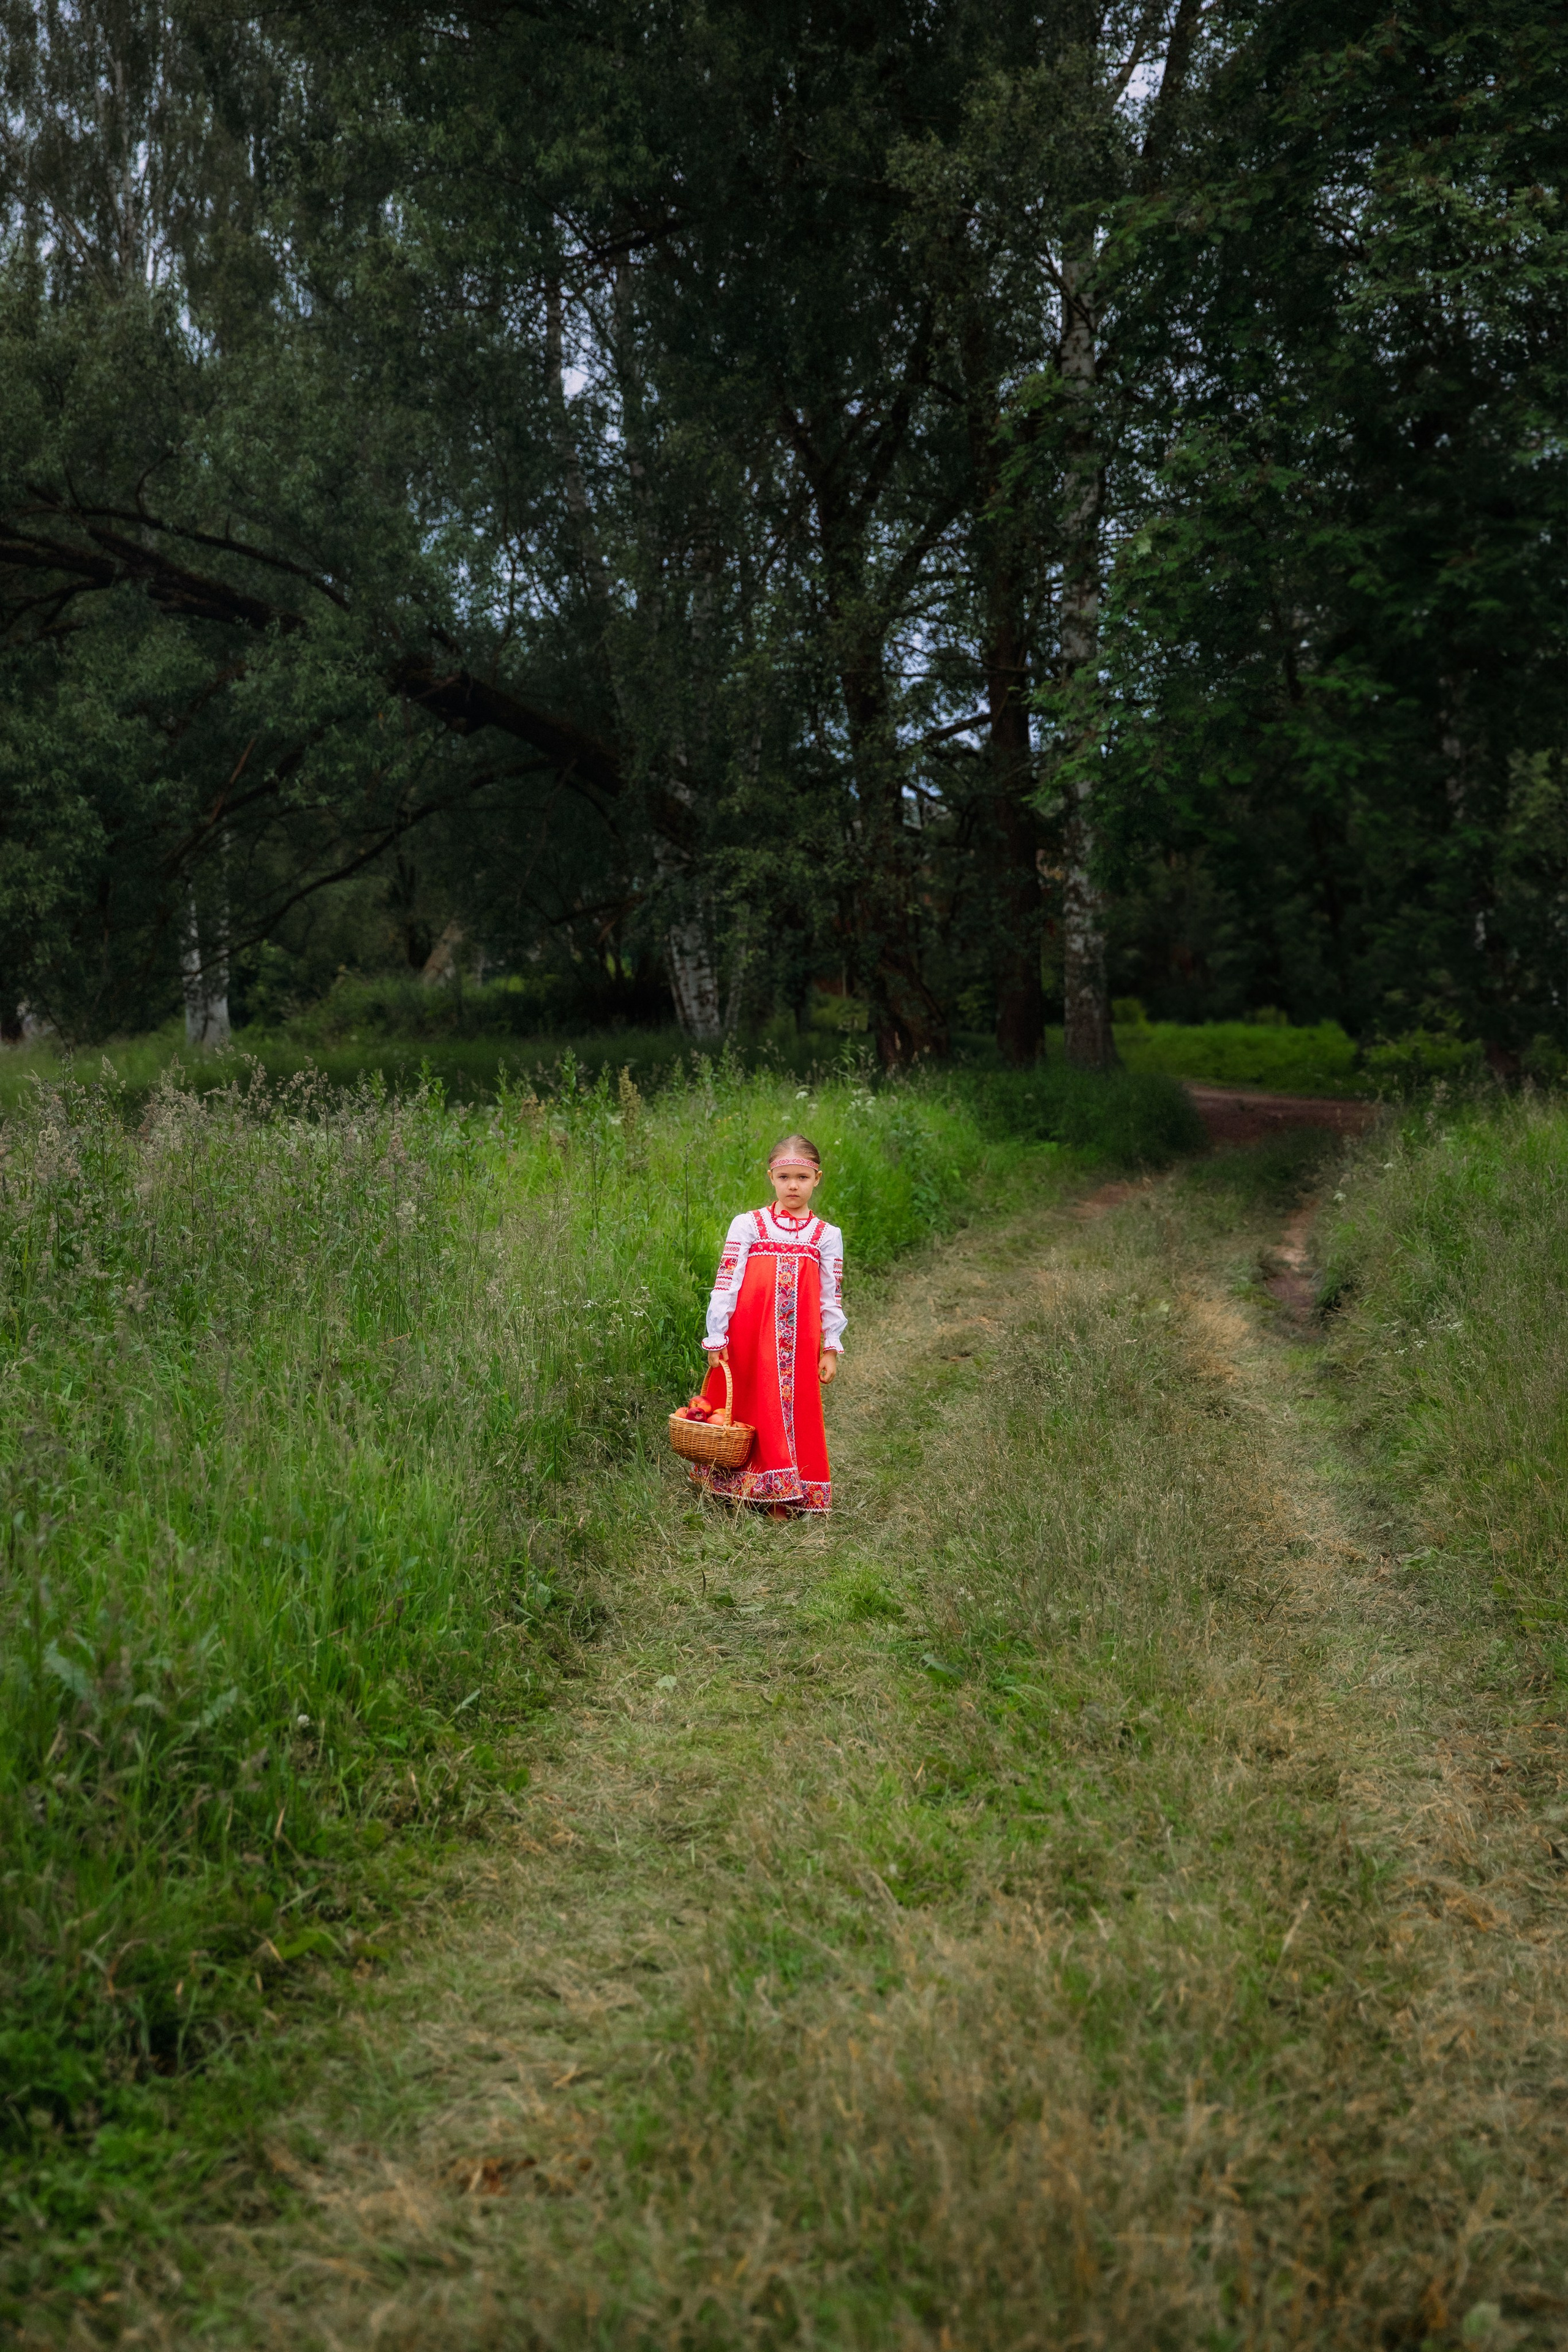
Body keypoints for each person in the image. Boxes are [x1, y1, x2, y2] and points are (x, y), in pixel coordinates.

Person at [692, 1134, 845, 1515]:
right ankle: (739, 1486)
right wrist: (717, 1334)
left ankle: (787, 1491)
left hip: (799, 1343)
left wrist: (831, 1346)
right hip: (750, 1335)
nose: (793, 1186)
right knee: (752, 1406)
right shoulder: (749, 1225)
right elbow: (726, 1281)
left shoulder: (826, 1236)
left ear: (817, 1178)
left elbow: (831, 1295)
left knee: (791, 1410)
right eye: (784, 1177)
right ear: (771, 1178)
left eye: (802, 1177)